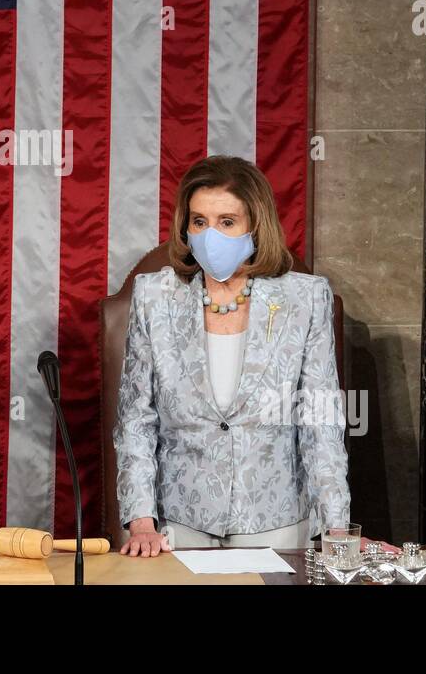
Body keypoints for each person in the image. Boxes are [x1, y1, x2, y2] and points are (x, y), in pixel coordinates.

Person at [115, 155, 350, 556]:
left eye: (227, 222)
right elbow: (136, 420)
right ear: (185, 228)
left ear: (255, 226)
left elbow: (320, 423)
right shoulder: (154, 297)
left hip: (274, 525)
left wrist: (337, 530)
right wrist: (141, 523)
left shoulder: (305, 299)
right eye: (199, 222)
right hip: (176, 527)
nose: (211, 236)